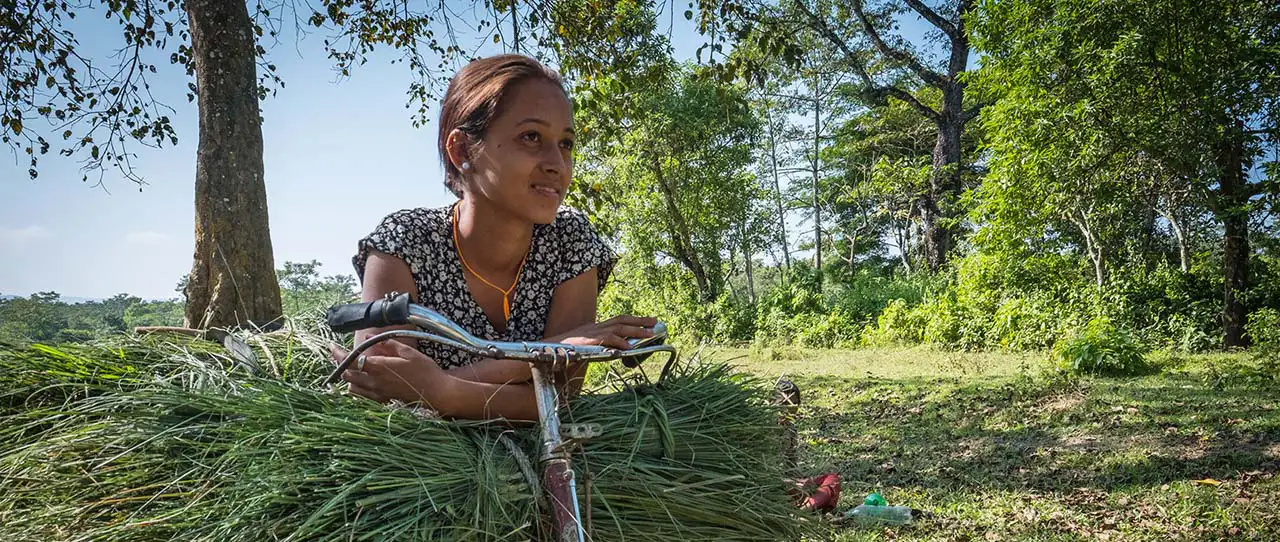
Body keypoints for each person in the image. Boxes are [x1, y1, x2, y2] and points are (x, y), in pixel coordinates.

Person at [330, 54, 657, 421]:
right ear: (463, 150)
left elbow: (560, 399)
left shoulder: (570, 241)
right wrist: (556, 348)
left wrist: (440, 390)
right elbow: (383, 397)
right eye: (531, 137)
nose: (557, 164)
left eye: (565, 143)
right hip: (422, 470)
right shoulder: (404, 243)